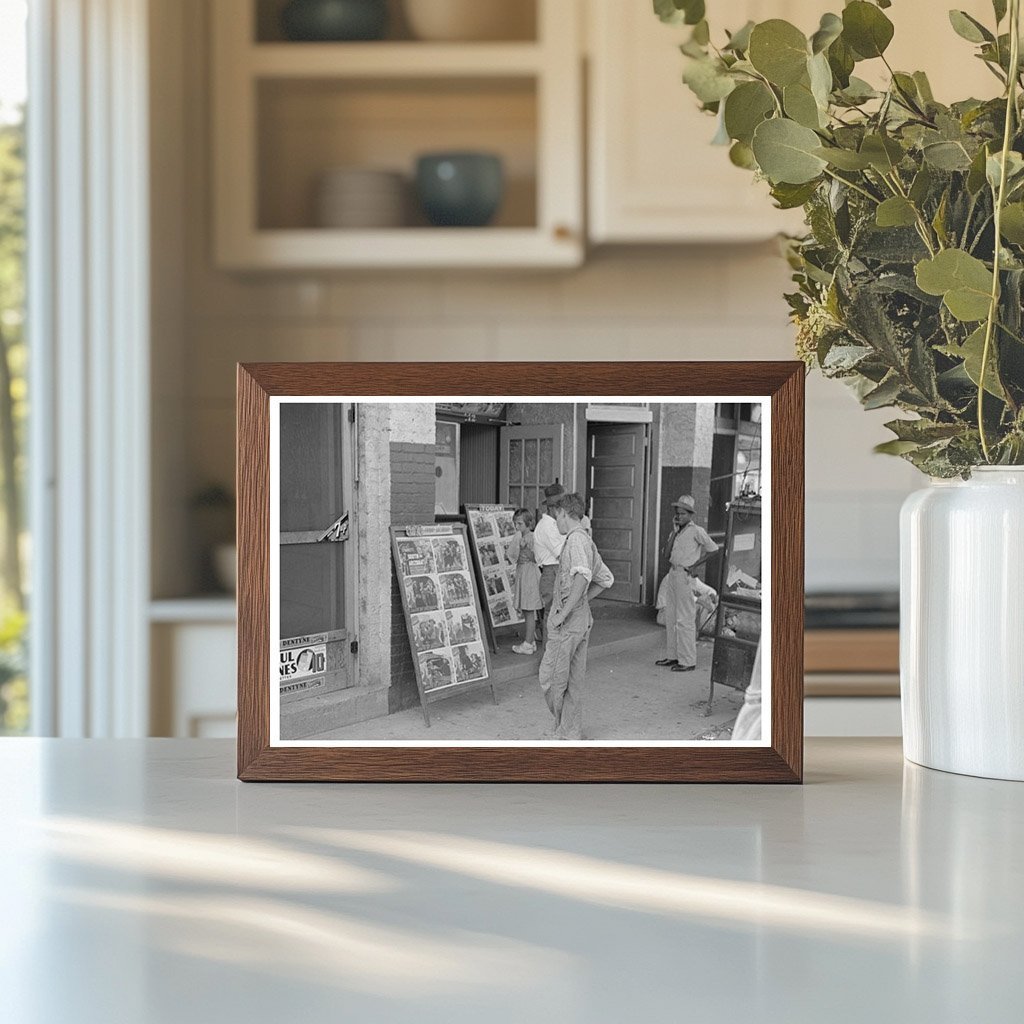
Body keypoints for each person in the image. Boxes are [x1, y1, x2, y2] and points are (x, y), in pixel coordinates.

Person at [538, 492, 613, 740]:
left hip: (569, 624)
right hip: (581, 619)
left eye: (555, 515)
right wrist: (580, 602)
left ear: (563, 513)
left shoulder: (575, 541)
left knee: (550, 679)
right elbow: (605, 579)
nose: (554, 521)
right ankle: (570, 732)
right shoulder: (586, 541)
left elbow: (583, 576)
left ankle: (564, 730)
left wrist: (565, 612)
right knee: (572, 680)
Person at [657, 495, 718, 673]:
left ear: (690, 514)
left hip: (685, 576)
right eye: (677, 513)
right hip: (673, 574)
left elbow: (713, 549)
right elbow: (666, 555)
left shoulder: (697, 531)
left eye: (683, 513)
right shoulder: (675, 532)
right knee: (671, 617)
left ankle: (688, 660)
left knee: (685, 619)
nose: (679, 516)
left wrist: (695, 565)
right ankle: (673, 656)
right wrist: (674, 532)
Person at [534, 483, 592, 641]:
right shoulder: (547, 527)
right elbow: (563, 554)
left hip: (560, 571)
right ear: (554, 509)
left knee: (563, 615)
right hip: (552, 572)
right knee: (554, 615)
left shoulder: (557, 524)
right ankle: (550, 654)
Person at [508, 508, 544, 655]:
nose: (517, 527)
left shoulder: (530, 537)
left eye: (520, 524)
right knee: (527, 608)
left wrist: (528, 553)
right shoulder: (521, 536)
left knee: (529, 609)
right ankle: (531, 640)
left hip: (529, 573)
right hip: (525, 572)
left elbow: (537, 557)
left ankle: (528, 643)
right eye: (515, 524)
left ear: (528, 523)